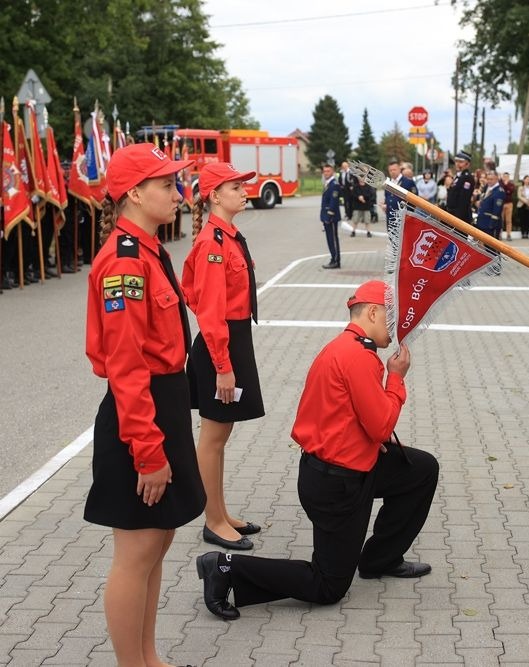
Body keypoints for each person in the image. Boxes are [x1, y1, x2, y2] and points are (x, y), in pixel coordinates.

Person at [195, 281, 438, 620]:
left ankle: (379, 559)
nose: (397, 329)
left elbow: (347, 420)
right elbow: (381, 426)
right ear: (372, 312)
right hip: (336, 486)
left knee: (422, 469)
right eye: (393, 318)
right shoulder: (357, 357)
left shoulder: (344, 346)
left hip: (345, 467)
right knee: (329, 586)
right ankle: (224, 567)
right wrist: (396, 379)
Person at [83, 142, 206, 667]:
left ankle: (148, 656)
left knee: (157, 545)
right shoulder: (124, 264)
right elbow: (126, 368)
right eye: (165, 185)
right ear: (134, 193)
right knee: (135, 555)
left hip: (165, 407)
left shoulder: (151, 249)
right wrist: (148, 452)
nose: (178, 194)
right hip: (141, 417)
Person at [182, 162, 266, 551]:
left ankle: (221, 510)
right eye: (236, 186)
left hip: (232, 341)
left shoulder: (226, 236)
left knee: (222, 434)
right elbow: (210, 311)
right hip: (221, 346)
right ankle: (213, 521)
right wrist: (223, 367)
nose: (245, 190)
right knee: (213, 437)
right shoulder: (212, 245)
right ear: (215, 195)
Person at [320, 163, 342, 269]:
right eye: (324, 171)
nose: (326, 173)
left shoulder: (334, 184)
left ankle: (336, 261)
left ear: (332, 171)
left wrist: (328, 216)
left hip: (331, 217)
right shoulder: (328, 183)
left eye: (328, 171)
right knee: (329, 239)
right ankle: (333, 258)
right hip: (326, 217)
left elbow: (334, 202)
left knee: (333, 239)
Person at [445, 151, 475, 225]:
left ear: (467, 164)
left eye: (461, 162)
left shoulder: (467, 177)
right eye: (456, 161)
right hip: (452, 214)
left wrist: (457, 221)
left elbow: (463, 201)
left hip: (459, 217)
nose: (457, 164)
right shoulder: (459, 176)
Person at [475, 170, 506, 241]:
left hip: (491, 225)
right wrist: (480, 202)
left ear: (497, 179)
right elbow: (484, 199)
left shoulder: (499, 191)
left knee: (492, 249)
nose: (489, 181)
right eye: (488, 179)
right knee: (484, 247)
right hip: (482, 221)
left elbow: (497, 210)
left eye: (491, 179)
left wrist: (492, 225)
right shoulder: (487, 187)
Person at [500, 172, 515, 240]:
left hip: (509, 204)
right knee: (500, 220)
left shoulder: (511, 184)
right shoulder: (500, 183)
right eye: (504, 176)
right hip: (501, 204)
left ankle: (508, 235)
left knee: (508, 220)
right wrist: (505, 186)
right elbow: (501, 191)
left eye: (507, 177)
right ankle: (499, 234)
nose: (505, 178)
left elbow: (511, 191)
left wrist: (506, 185)